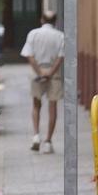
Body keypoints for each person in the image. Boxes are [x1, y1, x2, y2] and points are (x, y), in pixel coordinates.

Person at [21, 11, 66, 152]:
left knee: (36, 105)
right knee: (52, 107)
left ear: (41, 19)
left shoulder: (33, 34)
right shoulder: (60, 36)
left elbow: (29, 55)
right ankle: (48, 141)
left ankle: (36, 136)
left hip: (37, 72)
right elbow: (60, 57)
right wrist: (50, 73)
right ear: (55, 21)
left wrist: (40, 72)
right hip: (54, 75)